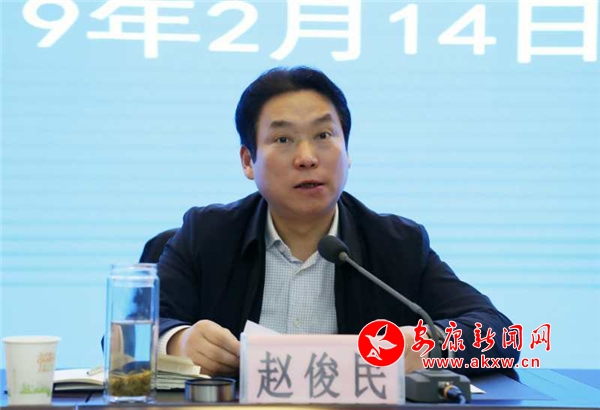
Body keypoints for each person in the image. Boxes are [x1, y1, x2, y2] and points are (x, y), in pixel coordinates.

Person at [156, 66, 519, 377]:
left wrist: (428, 343)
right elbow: (137, 326)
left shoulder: (397, 245)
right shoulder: (207, 236)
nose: (307, 157)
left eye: (324, 136)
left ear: (347, 152)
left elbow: (500, 334)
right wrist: (178, 343)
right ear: (248, 161)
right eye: (283, 139)